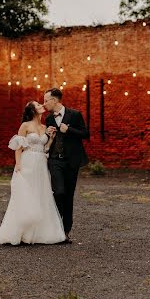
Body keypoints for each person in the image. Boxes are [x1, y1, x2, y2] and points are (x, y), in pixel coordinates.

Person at [0, 101, 66, 245]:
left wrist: (51, 138)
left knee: (41, 194)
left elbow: (45, 148)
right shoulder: (25, 125)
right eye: (38, 104)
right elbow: (18, 147)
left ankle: (40, 232)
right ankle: (22, 232)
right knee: (27, 194)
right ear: (33, 110)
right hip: (27, 161)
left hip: (41, 163)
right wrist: (18, 164)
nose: (42, 105)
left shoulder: (45, 127)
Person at [44, 88, 89, 244]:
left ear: (55, 100)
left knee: (68, 196)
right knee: (58, 192)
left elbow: (85, 134)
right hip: (55, 161)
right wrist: (49, 135)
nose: (44, 104)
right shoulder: (49, 119)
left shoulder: (75, 114)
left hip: (71, 161)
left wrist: (68, 129)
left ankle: (66, 231)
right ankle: (55, 228)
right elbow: (48, 141)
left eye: (46, 101)